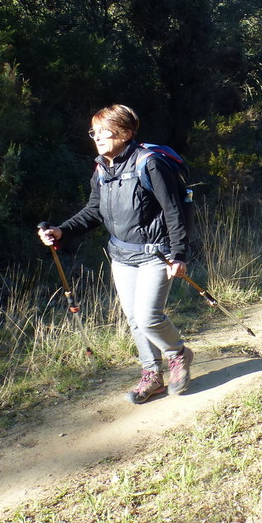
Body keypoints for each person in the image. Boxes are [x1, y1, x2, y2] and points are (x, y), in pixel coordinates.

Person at [37, 104, 194, 404]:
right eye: (94, 132)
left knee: (148, 318)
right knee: (134, 319)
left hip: (155, 254)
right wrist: (61, 231)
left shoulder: (149, 164)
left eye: (105, 131)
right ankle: (152, 375)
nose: (97, 137)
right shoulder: (102, 168)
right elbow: (93, 211)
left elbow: (174, 212)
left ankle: (178, 354)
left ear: (126, 133)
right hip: (121, 255)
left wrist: (179, 255)